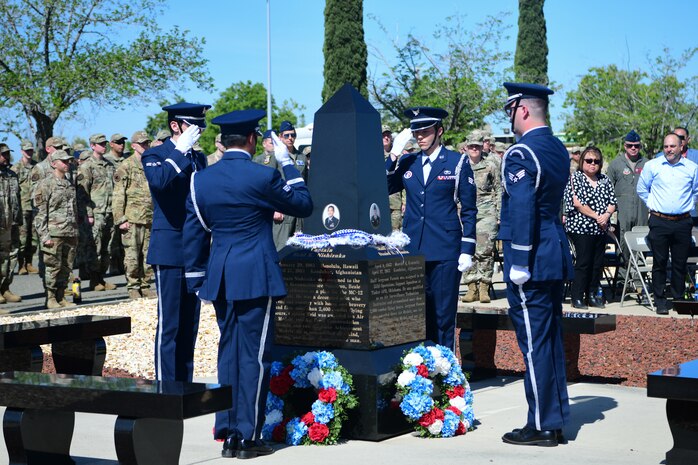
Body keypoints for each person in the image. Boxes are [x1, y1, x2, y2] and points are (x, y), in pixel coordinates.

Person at [183, 109, 312, 459]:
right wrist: (287, 165)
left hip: (221, 273)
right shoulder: (262, 175)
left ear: (223, 141)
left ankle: (225, 428)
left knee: (229, 351)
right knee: (255, 354)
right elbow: (304, 204)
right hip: (255, 272)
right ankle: (247, 435)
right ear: (253, 140)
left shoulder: (201, 180)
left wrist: (196, 276)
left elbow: (194, 230)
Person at [499, 82, 573, 447]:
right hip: (554, 253)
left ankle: (542, 423)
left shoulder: (521, 152)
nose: (508, 117)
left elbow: (523, 207)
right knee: (548, 340)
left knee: (533, 344)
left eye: (509, 109)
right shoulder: (557, 149)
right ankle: (554, 418)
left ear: (523, 110)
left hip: (530, 258)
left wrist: (519, 258)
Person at [386, 107, 477, 351]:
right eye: (416, 132)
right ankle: (421, 370)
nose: (420, 137)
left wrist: (468, 247)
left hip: (446, 249)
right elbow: (381, 186)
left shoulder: (457, 162)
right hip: (414, 248)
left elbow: (469, 208)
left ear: (439, 131)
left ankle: (445, 374)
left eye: (425, 131)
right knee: (418, 315)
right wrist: (393, 153)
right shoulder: (408, 161)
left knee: (443, 315)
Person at [142, 101, 209, 382]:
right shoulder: (155, 155)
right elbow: (159, 183)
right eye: (193, 126)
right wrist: (180, 150)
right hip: (169, 249)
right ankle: (165, 386)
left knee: (190, 323)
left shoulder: (199, 158)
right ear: (175, 126)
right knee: (170, 323)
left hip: (195, 249)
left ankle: (185, 383)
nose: (199, 132)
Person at [637, 132, 698, 315]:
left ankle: (678, 299)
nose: (669, 150)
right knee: (660, 262)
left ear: (681, 147)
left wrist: (684, 205)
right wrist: (654, 205)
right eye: (666, 146)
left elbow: (696, 191)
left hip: (682, 222)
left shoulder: (692, 168)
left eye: (672, 146)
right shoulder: (652, 166)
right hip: (659, 221)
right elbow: (642, 189)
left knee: (680, 263)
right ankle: (660, 300)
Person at [563, 147, 617, 309]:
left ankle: (592, 294)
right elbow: (577, 203)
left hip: (600, 229)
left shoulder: (604, 179)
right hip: (581, 228)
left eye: (596, 161)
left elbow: (612, 201)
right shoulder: (575, 178)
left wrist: (606, 215)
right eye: (589, 161)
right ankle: (577, 296)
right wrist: (597, 217)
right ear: (582, 162)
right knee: (584, 262)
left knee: (597, 263)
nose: (593, 164)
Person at [32, 150, 78, 309]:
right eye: (63, 161)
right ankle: (51, 298)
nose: (67, 164)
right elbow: (39, 213)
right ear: (54, 163)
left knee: (67, 267)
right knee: (53, 267)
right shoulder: (45, 184)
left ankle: (61, 296)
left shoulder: (69, 183)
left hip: (70, 232)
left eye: (68, 161)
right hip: (54, 233)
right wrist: (44, 236)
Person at [460, 131, 501, 304]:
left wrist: (499, 214)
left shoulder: (490, 165)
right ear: (466, 148)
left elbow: (498, 189)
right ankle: (471, 286)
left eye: (477, 146)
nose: (475, 149)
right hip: (465, 213)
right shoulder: (460, 166)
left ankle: (484, 285)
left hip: (486, 212)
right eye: (471, 146)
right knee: (467, 250)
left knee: (485, 250)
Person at [606, 130, 649, 296]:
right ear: (625, 146)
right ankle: (622, 281)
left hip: (641, 210)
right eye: (630, 145)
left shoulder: (647, 164)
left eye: (636, 146)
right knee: (622, 245)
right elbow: (607, 188)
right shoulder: (616, 164)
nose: (633, 148)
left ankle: (639, 282)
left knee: (641, 242)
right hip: (622, 212)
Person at [112, 131, 154, 299]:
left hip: (149, 217)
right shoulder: (126, 166)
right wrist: (120, 218)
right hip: (131, 218)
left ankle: (145, 285)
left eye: (147, 143)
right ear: (134, 145)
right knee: (132, 256)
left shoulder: (151, 164)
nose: (145, 146)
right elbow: (118, 194)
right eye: (142, 143)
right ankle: (133, 287)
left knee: (148, 255)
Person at [77, 134, 116, 291]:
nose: (103, 146)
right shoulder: (87, 166)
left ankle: (101, 278)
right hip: (96, 213)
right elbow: (82, 193)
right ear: (92, 146)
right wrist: (89, 213)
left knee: (107, 248)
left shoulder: (109, 165)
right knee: (95, 248)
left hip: (110, 211)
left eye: (104, 143)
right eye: (99, 144)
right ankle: (94, 279)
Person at [268, 120, 308, 251]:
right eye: (286, 135)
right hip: (282, 208)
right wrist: (273, 208)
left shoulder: (301, 156)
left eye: (293, 135)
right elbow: (268, 184)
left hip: (298, 208)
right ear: (280, 137)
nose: (290, 138)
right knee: (281, 246)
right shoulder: (275, 157)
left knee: (299, 247)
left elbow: (305, 182)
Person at [11, 140, 39, 275]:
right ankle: (21, 264)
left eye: (31, 150)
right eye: (27, 150)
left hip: (35, 207)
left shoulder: (36, 167)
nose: (29, 153)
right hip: (22, 207)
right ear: (22, 151)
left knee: (33, 238)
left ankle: (29, 263)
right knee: (22, 238)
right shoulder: (16, 168)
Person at [0, 144, 22, 304]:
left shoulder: (12, 175)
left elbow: (17, 200)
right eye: (3, 154)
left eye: (8, 154)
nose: (6, 157)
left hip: (12, 223)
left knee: (12, 256)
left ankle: (5, 288)